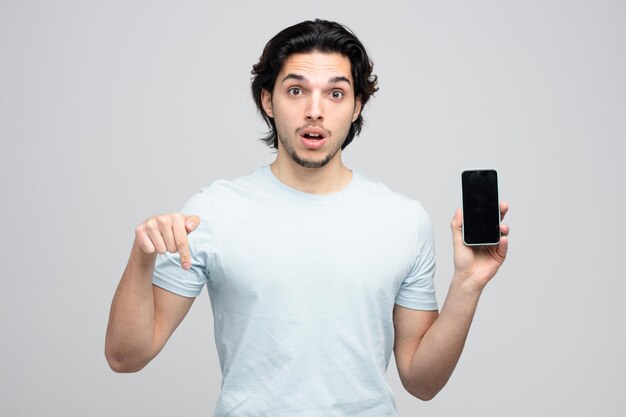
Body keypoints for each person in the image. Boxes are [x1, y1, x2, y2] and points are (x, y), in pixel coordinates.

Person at [105, 19, 510, 417]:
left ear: (356, 107)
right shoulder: (212, 212)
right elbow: (125, 357)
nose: (314, 111)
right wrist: (142, 257)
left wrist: (467, 287)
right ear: (268, 100)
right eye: (296, 90)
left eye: (336, 94)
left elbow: (422, 383)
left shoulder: (405, 220)